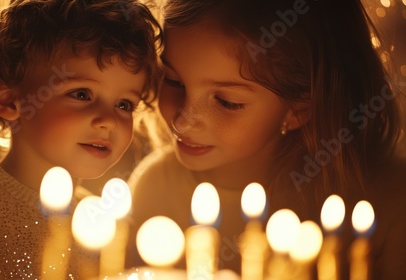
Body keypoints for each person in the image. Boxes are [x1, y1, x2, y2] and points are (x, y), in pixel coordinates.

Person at [126, 0, 406, 279]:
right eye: (173, 80)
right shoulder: (155, 188)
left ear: (299, 110)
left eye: (227, 102)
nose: (182, 120)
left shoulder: (388, 203)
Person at [0, 0, 161, 279]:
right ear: (8, 99)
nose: (109, 120)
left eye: (124, 104)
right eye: (82, 94)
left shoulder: (99, 225)